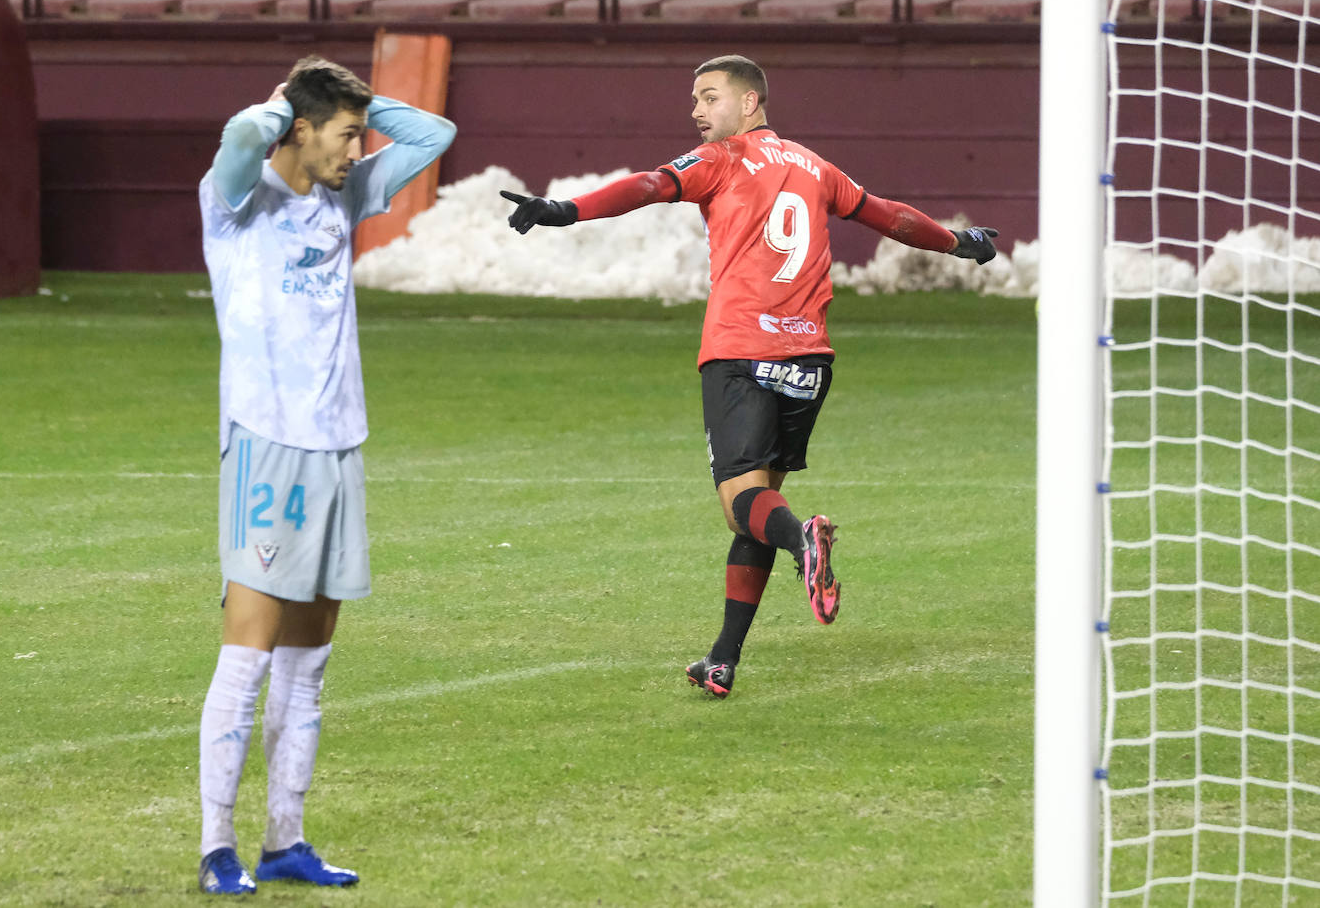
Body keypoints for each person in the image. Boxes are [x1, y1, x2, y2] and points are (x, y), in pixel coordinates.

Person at [501, 54, 997, 699]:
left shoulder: (722, 160)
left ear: (749, 104)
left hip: (740, 351)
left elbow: (650, 186)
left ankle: (805, 541)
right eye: (696, 99)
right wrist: (959, 242)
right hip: (809, 359)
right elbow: (886, 216)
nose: (696, 111)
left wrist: (566, 209)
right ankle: (723, 659)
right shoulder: (815, 166)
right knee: (757, 507)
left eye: (709, 97)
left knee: (745, 504)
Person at [195, 56, 455, 895]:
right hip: (268, 443)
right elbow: (239, 138)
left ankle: (285, 840)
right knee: (249, 651)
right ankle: (215, 847)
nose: (360, 148)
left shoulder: (341, 191)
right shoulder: (235, 201)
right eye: (345, 135)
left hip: (341, 445)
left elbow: (437, 134)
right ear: (298, 131)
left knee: (310, 660)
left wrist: (357, 105)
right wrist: (283, 108)